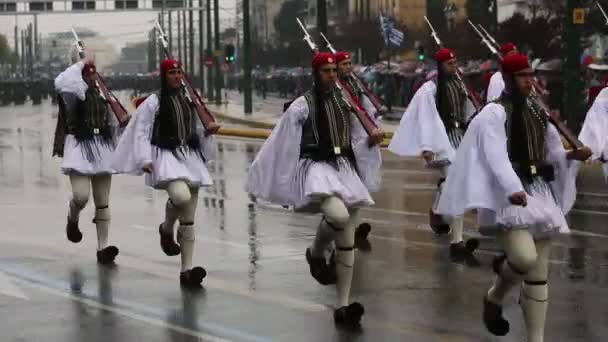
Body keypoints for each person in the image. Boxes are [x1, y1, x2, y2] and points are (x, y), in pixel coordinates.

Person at [436, 53, 592, 342]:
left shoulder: (538, 109)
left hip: (539, 190)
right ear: (508, 78)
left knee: (539, 273)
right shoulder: (494, 113)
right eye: (522, 76)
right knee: (523, 258)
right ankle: (494, 297)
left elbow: (552, 152)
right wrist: (511, 188)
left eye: (530, 75)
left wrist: (573, 155)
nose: (529, 81)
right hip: (511, 195)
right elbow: (495, 156)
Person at [245, 53, 383, 327]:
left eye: (334, 70)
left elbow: (356, 136)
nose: (332, 75)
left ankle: (342, 306)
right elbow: (282, 144)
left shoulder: (346, 100)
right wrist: (283, 182)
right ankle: (317, 252)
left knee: (346, 240)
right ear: (315, 73)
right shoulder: (302, 105)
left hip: (343, 166)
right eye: (326, 70)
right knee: (340, 217)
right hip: (316, 167)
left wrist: (371, 140)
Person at [112, 59, 217, 287]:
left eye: (179, 72)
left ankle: (186, 270)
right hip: (167, 156)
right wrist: (144, 159)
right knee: (181, 197)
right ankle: (166, 228)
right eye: (172, 73)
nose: (177, 76)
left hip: (190, 156)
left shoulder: (191, 99)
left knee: (188, 218)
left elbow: (198, 128)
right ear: (164, 76)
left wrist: (208, 132)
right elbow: (141, 131)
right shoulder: (154, 102)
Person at [388, 48, 479, 259]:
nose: (454, 66)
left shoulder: (460, 84)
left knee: (457, 183)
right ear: (440, 65)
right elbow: (425, 118)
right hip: (441, 138)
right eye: (449, 63)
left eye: (455, 62)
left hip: (459, 137)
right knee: (455, 185)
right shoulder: (431, 88)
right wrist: (427, 146)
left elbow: (469, 111)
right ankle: (457, 241)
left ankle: (438, 208)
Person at [52, 57, 124, 264]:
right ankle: (72, 217)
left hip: (102, 145)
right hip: (79, 146)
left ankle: (103, 247)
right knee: (81, 196)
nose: (92, 77)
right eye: (87, 74)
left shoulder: (103, 94)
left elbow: (113, 121)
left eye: (94, 73)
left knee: (103, 202)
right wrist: (80, 63)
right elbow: (61, 81)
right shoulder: (73, 94)